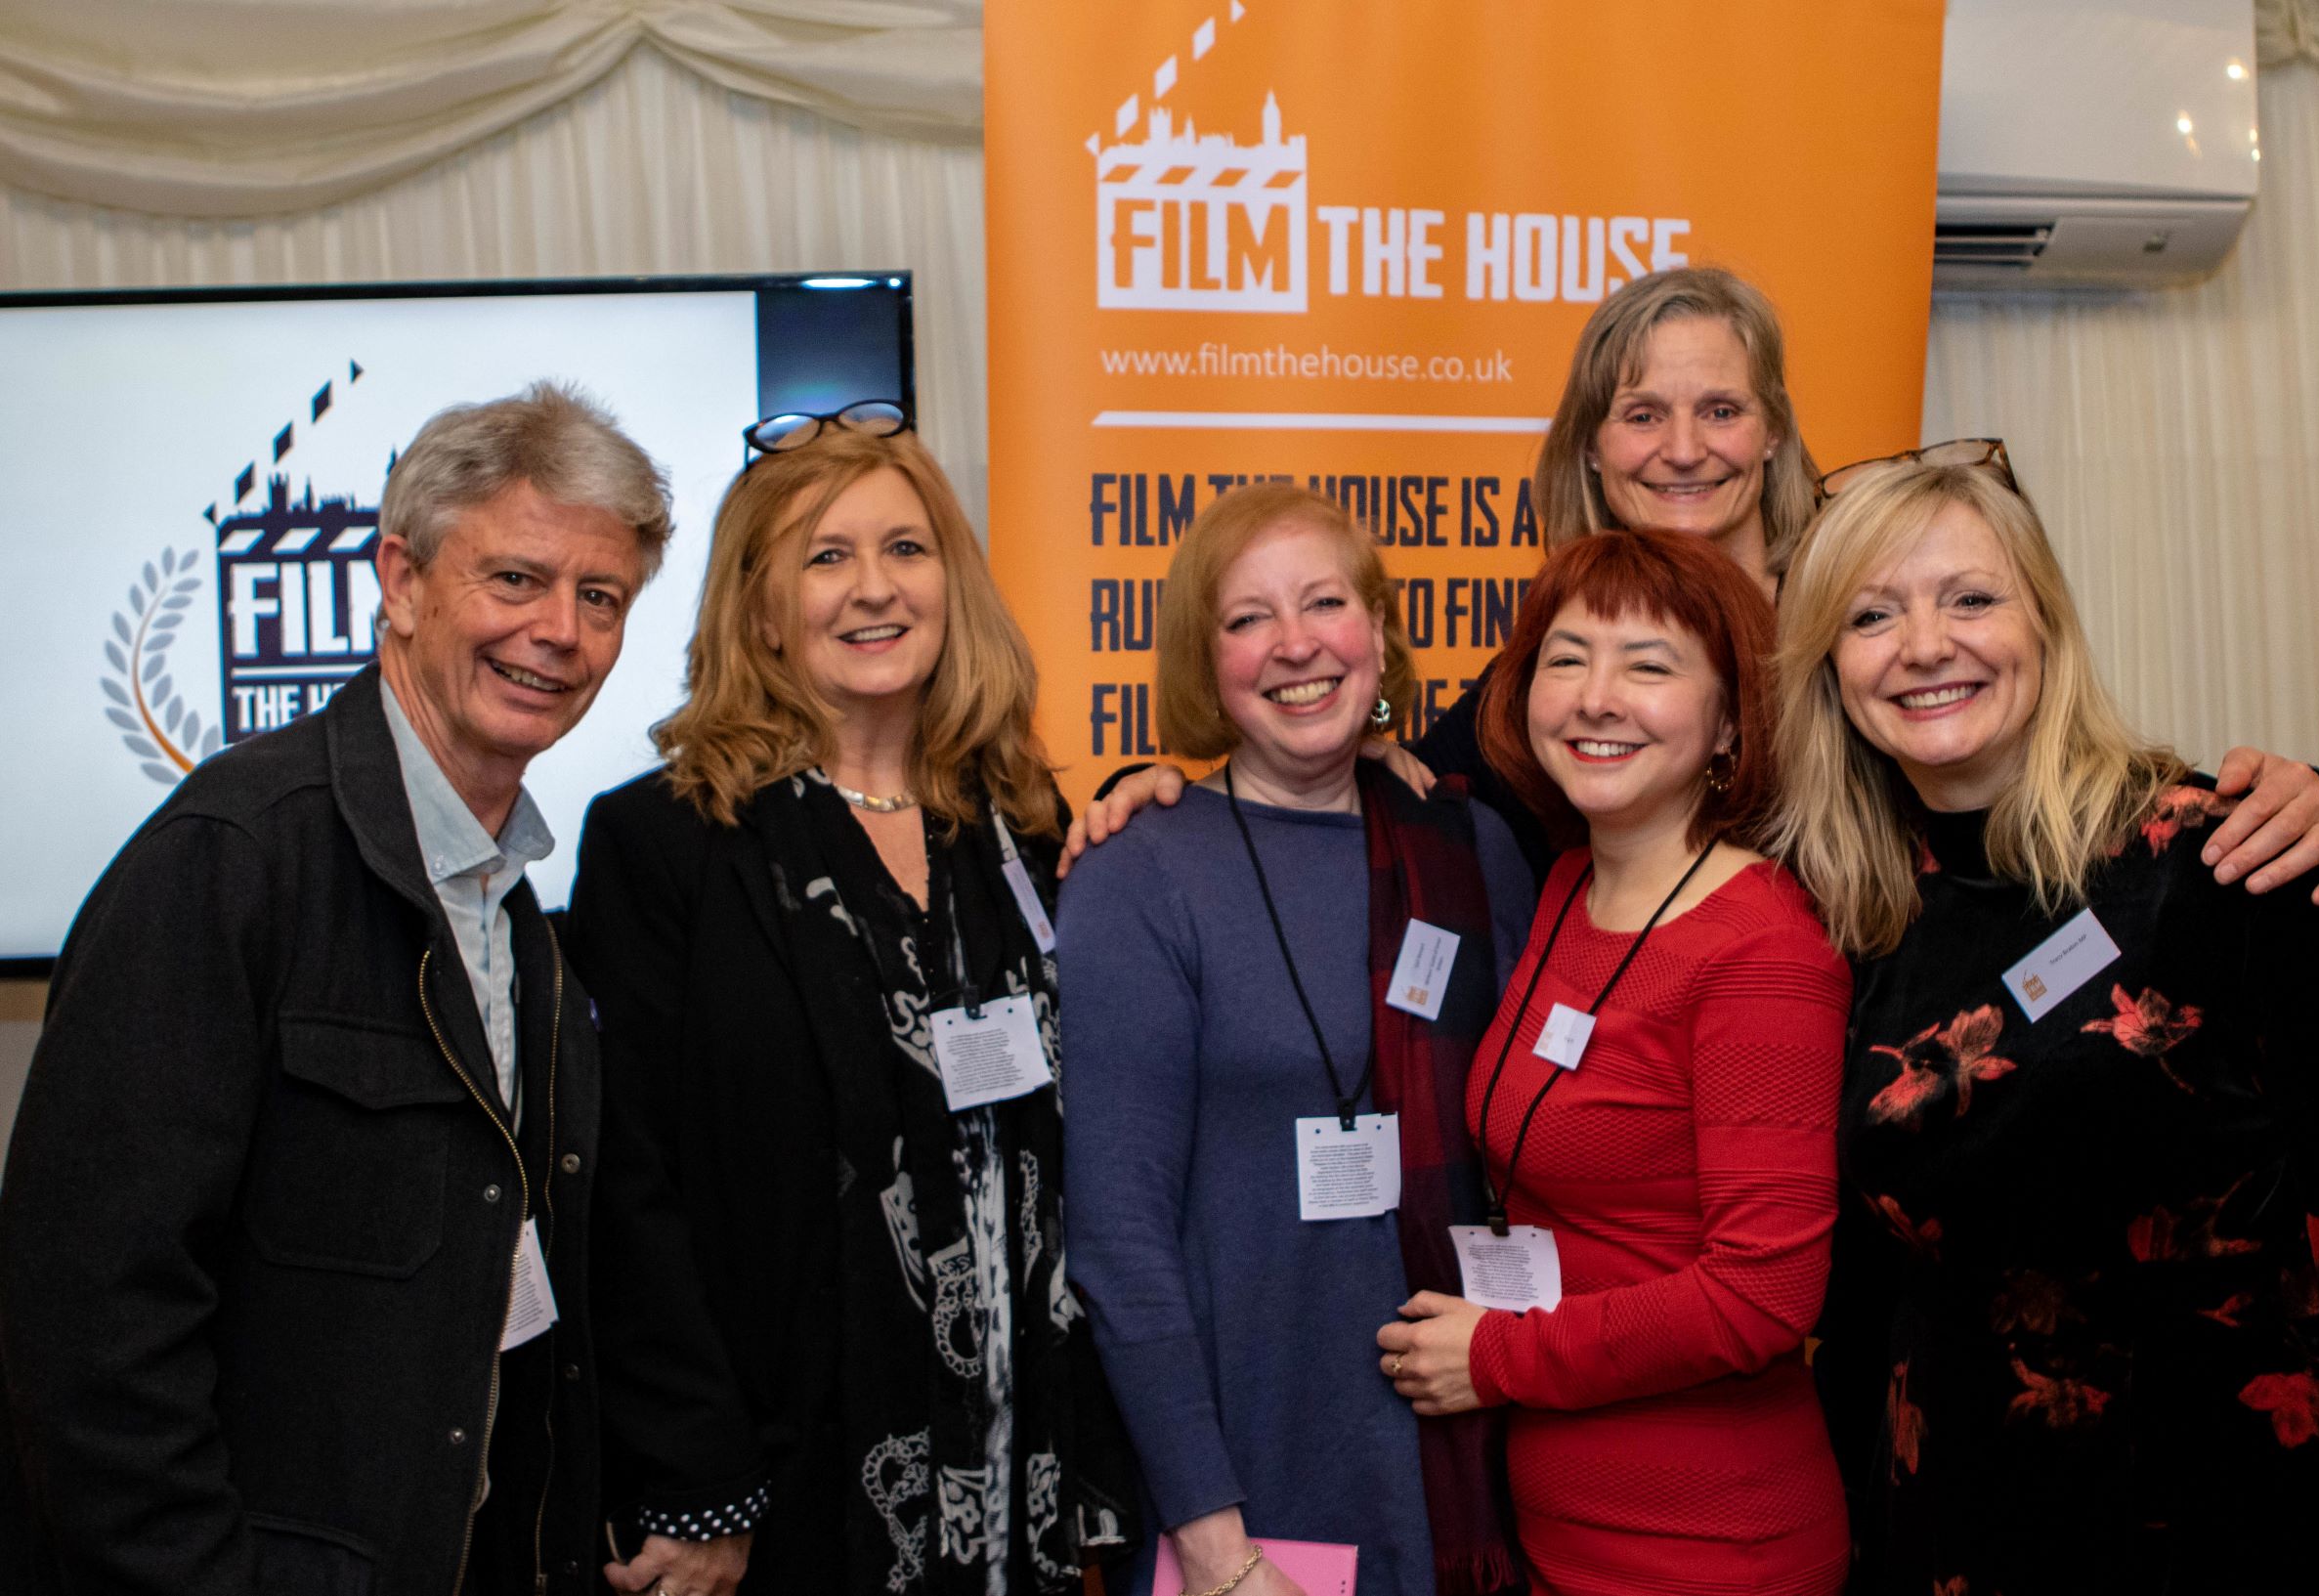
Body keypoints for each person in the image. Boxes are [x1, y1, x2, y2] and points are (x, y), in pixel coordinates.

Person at [0, 382, 709, 1595]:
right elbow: (87, 1318)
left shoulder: (515, 908)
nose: (559, 631)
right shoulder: (231, 858)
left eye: (600, 598)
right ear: (402, 581)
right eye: (517, 579)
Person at [1066, 268, 2319, 900]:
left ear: (1773, 431)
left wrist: (2292, 798)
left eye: (1720, 409)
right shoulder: (1560, 646)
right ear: (1590, 446)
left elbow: (2043, 760)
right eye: (1641, 414)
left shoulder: (1864, 605)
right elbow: (1405, 774)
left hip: (1911, 1070)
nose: (1682, 449)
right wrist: (1173, 786)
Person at [1775, 458, 2319, 1593]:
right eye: (1870, 615)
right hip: (1957, 1515)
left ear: (2045, 624)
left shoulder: (2220, 858)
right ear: (1828, 667)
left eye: (1970, 597)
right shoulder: (1842, 913)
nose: (1923, 644)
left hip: (2228, 1513)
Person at [567, 414, 1137, 1596]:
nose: (875, 588)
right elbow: (626, 1190)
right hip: (783, 1494)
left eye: (905, 549)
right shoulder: (665, 843)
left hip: (1020, 1480)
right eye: (826, 556)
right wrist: (700, 1481)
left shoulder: (1025, 829)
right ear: (760, 610)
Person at [1058, 483, 1538, 1596]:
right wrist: (1216, 1548)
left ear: (1377, 629)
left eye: (1324, 601)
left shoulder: (1467, 847)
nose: (1294, 643)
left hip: (1472, 1456)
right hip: (1251, 1481)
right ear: (1204, 660)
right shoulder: (1139, 874)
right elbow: (1120, 1242)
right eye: (1247, 618)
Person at [1375, 528, 1852, 1596]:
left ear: (1729, 719)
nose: (1596, 698)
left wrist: (1496, 1355)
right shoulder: (1563, 885)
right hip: (1557, 1518)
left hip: (1708, 1544)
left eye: (1648, 665)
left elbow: (1764, 1295)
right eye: (1566, 658)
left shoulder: (1762, 947)